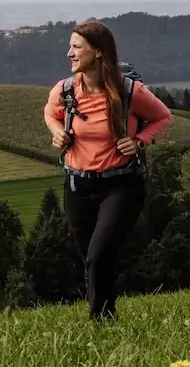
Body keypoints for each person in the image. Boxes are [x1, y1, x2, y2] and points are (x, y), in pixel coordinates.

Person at [42, 19, 173, 321]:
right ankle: (106, 315)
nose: (69, 53)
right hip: (77, 185)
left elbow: (163, 117)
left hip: (121, 184)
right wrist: (56, 132)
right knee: (92, 258)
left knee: (99, 255)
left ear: (98, 52)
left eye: (76, 47)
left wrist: (140, 141)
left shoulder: (129, 91)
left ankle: (100, 323)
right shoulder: (65, 90)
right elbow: (50, 112)